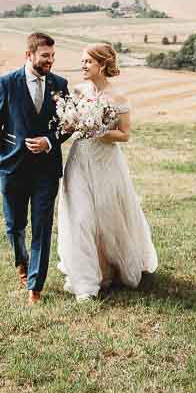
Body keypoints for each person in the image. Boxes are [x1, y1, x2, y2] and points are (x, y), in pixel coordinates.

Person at [57, 42, 157, 301]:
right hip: (79, 161)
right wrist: (70, 124)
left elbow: (125, 135)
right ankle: (87, 277)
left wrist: (100, 131)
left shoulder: (118, 99)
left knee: (106, 217)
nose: (83, 66)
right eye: (82, 61)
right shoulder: (78, 92)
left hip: (106, 164)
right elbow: (70, 127)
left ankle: (107, 269)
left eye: (88, 62)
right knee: (80, 217)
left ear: (102, 65)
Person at [0, 32, 71, 305]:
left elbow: (65, 125)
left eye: (52, 56)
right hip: (13, 167)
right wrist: (1, 162)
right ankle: (21, 262)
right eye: (45, 56)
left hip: (46, 169)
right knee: (15, 225)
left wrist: (49, 141)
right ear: (29, 55)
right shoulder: (6, 83)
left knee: (43, 225)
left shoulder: (60, 84)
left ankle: (35, 285)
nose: (50, 61)